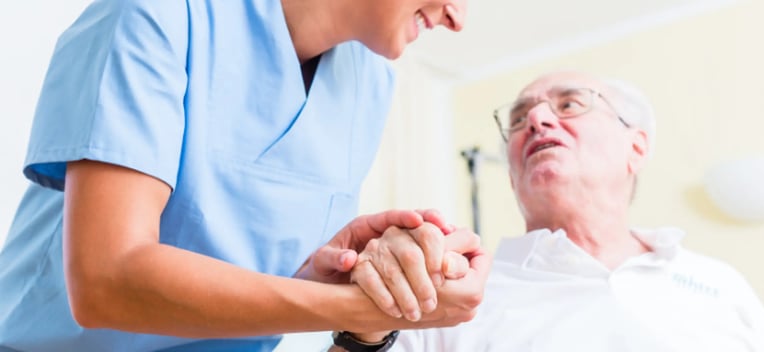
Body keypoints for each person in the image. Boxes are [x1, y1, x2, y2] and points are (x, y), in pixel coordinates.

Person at [0, 0, 491, 351]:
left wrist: (359, 283)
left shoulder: (369, 81)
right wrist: (359, 310)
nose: (458, 17)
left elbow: (252, 285)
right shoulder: (159, 13)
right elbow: (106, 282)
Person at [348, 70, 764, 351]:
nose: (537, 120)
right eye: (519, 119)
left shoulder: (718, 284)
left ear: (635, 147)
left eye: (569, 105)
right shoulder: (450, 293)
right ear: (512, 174)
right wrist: (364, 322)